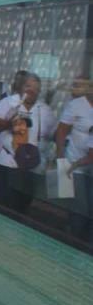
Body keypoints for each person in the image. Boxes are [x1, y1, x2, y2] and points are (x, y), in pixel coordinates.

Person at [0, 73, 55, 212]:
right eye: (28, 86)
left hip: (31, 164)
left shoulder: (45, 110)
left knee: (23, 202)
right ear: (20, 87)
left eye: (36, 88)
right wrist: (8, 123)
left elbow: (52, 135)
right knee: (4, 200)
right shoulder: (8, 103)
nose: (31, 90)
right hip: (8, 161)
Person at [55, 78, 92, 215]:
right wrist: (61, 159)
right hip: (75, 164)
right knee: (79, 208)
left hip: (90, 164)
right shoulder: (76, 105)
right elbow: (61, 132)